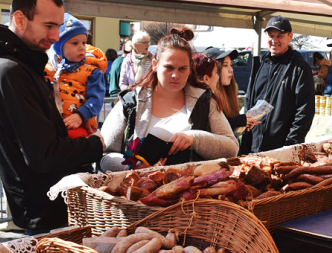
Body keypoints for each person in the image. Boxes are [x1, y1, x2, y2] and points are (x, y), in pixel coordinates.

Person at [0, 0, 105, 235]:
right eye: (49, 26)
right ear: (20, 19)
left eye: (58, 26)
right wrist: (95, 145)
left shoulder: (18, 65)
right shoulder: (9, 70)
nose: (56, 36)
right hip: (44, 210)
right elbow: (43, 154)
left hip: (47, 205)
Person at [100, 28, 238, 171]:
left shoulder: (204, 100)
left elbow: (232, 148)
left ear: (190, 69)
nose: (175, 75)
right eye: (169, 67)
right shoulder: (131, 101)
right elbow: (104, 154)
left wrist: (195, 138)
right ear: (154, 65)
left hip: (191, 191)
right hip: (141, 191)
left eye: (182, 69)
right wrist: (131, 168)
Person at [241, 16, 315, 153]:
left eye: (280, 36)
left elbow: (305, 111)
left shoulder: (299, 67)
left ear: (290, 36)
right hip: (253, 146)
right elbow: (249, 102)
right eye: (271, 35)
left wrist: (290, 145)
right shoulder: (260, 64)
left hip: (281, 148)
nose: (274, 40)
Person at [44, 14, 107, 139]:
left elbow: (97, 99)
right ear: (59, 47)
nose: (81, 47)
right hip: (52, 123)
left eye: (84, 42)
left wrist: (80, 115)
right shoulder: (47, 68)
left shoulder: (92, 70)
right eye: (75, 43)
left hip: (81, 124)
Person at [204, 49, 260, 133]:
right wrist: (237, 121)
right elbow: (209, 130)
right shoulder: (205, 98)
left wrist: (243, 125)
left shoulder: (228, 92)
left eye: (231, 64)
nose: (231, 69)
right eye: (225, 65)